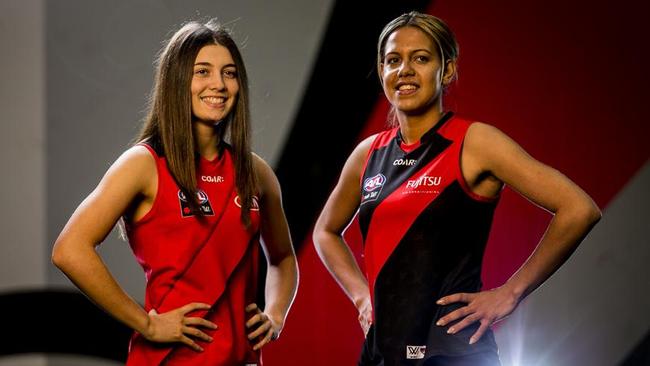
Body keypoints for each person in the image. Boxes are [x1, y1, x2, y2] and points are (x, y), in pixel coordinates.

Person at [313, 11, 601, 366]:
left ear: (447, 70)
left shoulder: (475, 142)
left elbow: (578, 208)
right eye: (392, 60)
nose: (404, 70)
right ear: (382, 72)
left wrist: (510, 294)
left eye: (420, 58)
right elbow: (325, 232)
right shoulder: (367, 154)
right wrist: (361, 297)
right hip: (382, 354)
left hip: (453, 353)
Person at [52, 20, 298, 366]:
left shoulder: (255, 173)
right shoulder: (143, 163)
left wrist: (275, 314)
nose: (219, 84)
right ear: (176, 80)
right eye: (202, 71)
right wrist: (146, 324)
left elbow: (284, 258)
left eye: (229, 73)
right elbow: (69, 249)